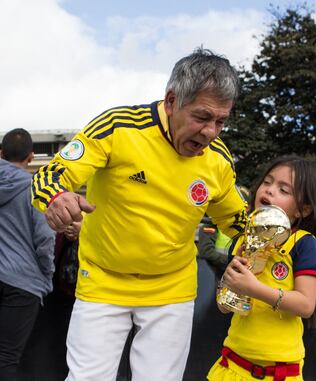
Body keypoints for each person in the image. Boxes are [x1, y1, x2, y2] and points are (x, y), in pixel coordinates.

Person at [31, 48, 248, 381]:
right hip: (103, 281)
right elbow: (51, 175)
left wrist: (273, 243)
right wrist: (56, 198)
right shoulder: (118, 128)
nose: (211, 132)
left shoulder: (218, 159)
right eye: (202, 117)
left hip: (171, 289)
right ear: (172, 101)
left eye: (221, 121)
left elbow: (236, 222)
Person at [208, 155, 316, 381]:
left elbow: (306, 305)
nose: (270, 190)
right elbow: (225, 307)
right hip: (231, 364)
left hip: (278, 373)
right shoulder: (242, 240)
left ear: (302, 210)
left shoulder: (302, 242)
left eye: (284, 190)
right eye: (267, 182)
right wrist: (231, 285)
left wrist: (254, 289)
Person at [0, 128, 55, 381]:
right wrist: (46, 273)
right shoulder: (36, 188)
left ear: (1, 153)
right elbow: (45, 238)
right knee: (8, 358)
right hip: (23, 284)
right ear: (31, 157)